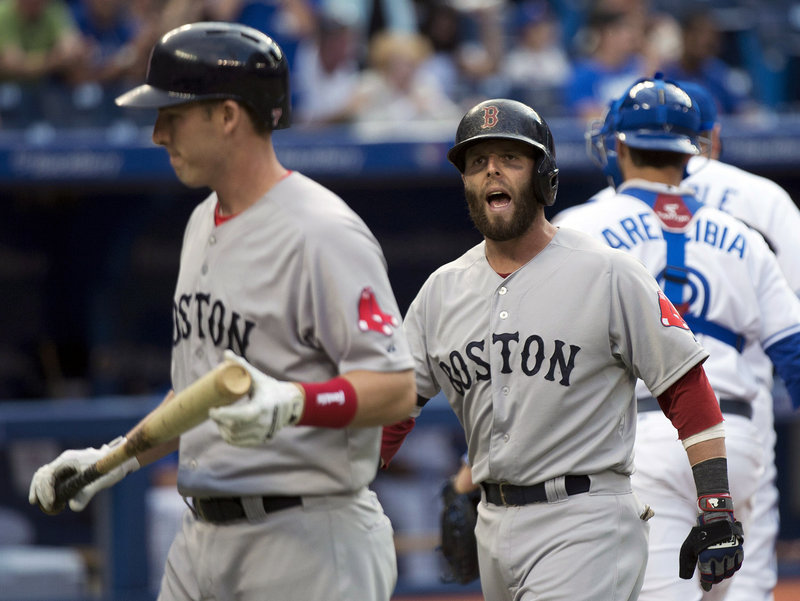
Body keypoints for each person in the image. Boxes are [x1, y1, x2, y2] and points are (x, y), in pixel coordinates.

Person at [28, 21, 417, 601]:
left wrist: (292, 403)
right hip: (201, 535)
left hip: (306, 535)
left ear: (228, 116)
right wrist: (113, 459)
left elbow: (395, 388)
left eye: (174, 115)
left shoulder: (322, 230)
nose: (159, 134)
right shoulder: (198, 222)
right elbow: (196, 394)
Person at [384, 96, 744, 600]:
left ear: (544, 175)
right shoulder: (440, 292)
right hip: (493, 521)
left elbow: (685, 384)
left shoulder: (607, 272)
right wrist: (344, 488)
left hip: (586, 518)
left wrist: (716, 505)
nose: (492, 173)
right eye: (477, 162)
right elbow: (396, 407)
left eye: (510, 159)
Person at [554, 74, 800, 601]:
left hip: (645, 436)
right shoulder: (740, 234)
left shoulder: (583, 227)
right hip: (737, 439)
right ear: (690, 153)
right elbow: (793, 353)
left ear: (619, 146)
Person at [679, 80, 800, 601]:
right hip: (742, 407)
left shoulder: (604, 208)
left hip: (642, 416)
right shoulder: (762, 197)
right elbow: (790, 319)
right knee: (744, 580)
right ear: (714, 136)